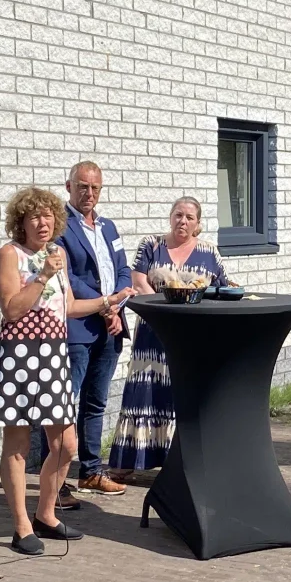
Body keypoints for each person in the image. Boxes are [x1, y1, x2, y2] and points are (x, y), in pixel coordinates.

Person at [0, 187, 134, 555]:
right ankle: (21, 527)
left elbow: (66, 306)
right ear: (20, 221)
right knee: (18, 446)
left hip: (53, 355)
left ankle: (46, 514)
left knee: (66, 444)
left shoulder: (58, 254)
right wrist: (40, 277)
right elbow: (11, 309)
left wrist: (106, 303)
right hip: (20, 356)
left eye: (48, 216)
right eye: (34, 216)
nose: (43, 222)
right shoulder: (11, 255)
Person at [108, 196, 232, 475]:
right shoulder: (151, 245)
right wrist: (161, 312)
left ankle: (180, 464)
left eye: (189, 217)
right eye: (178, 215)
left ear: (198, 224)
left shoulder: (209, 251)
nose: (183, 221)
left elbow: (224, 285)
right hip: (152, 334)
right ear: (170, 216)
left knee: (181, 395)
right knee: (144, 392)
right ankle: (129, 461)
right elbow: (137, 278)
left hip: (190, 338)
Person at [40, 162, 132, 505]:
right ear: (69, 186)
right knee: (63, 405)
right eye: (82, 187)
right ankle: (55, 483)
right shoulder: (60, 228)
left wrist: (116, 307)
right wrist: (104, 305)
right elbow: (69, 279)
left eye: (95, 188)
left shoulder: (108, 226)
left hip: (111, 326)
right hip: (78, 328)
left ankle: (91, 471)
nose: (89, 194)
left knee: (95, 401)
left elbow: (122, 270)